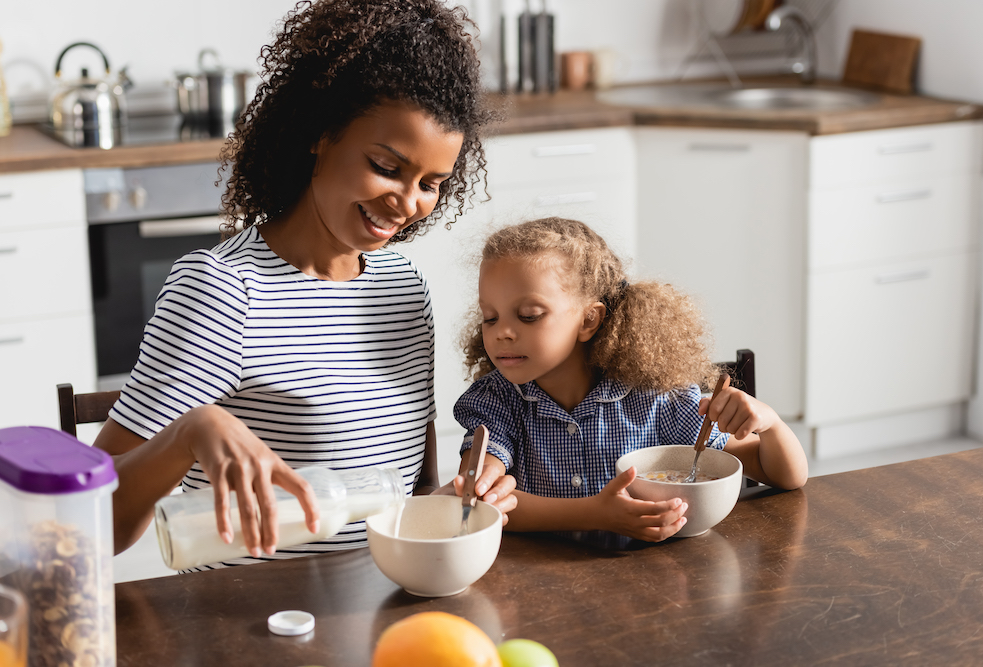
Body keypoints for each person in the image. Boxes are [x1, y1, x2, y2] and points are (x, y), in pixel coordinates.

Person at [94, 0, 515, 569]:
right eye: (386, 167)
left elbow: (405, 486)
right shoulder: (222, 291)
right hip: (251, 625)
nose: (408, 202)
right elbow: (97, 524)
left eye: (431, 182)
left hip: (380, 607)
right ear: (322, 133)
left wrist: (454, 503)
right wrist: (188, 433)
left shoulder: (401, 285)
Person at [453, 217, 809, 542]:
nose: (502, 333)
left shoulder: (659, 398)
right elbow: (479, 498)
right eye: (490, 317)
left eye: (528, 316)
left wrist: (772, 425)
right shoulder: (494, 402)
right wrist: (596, 514)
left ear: (589, 320)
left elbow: (785, 476)